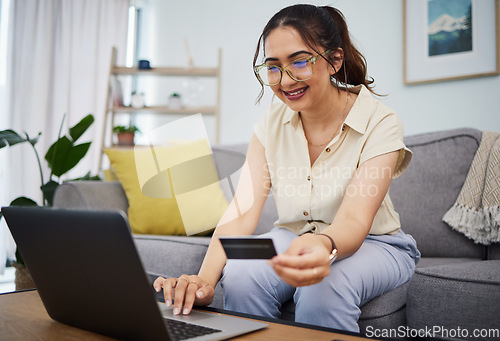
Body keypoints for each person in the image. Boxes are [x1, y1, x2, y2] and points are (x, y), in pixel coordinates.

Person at [154, 4, 420, 333]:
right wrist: (204, 281)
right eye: (273, 67)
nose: (285, 80)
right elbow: (242, 210)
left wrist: (322, 246)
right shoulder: (272, 121)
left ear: (334, 60)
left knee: (321, 288)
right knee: (239, 270)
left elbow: (354, 219)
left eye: (299, 61)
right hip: (290, 235)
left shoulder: (380, 121)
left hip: (376, 243)